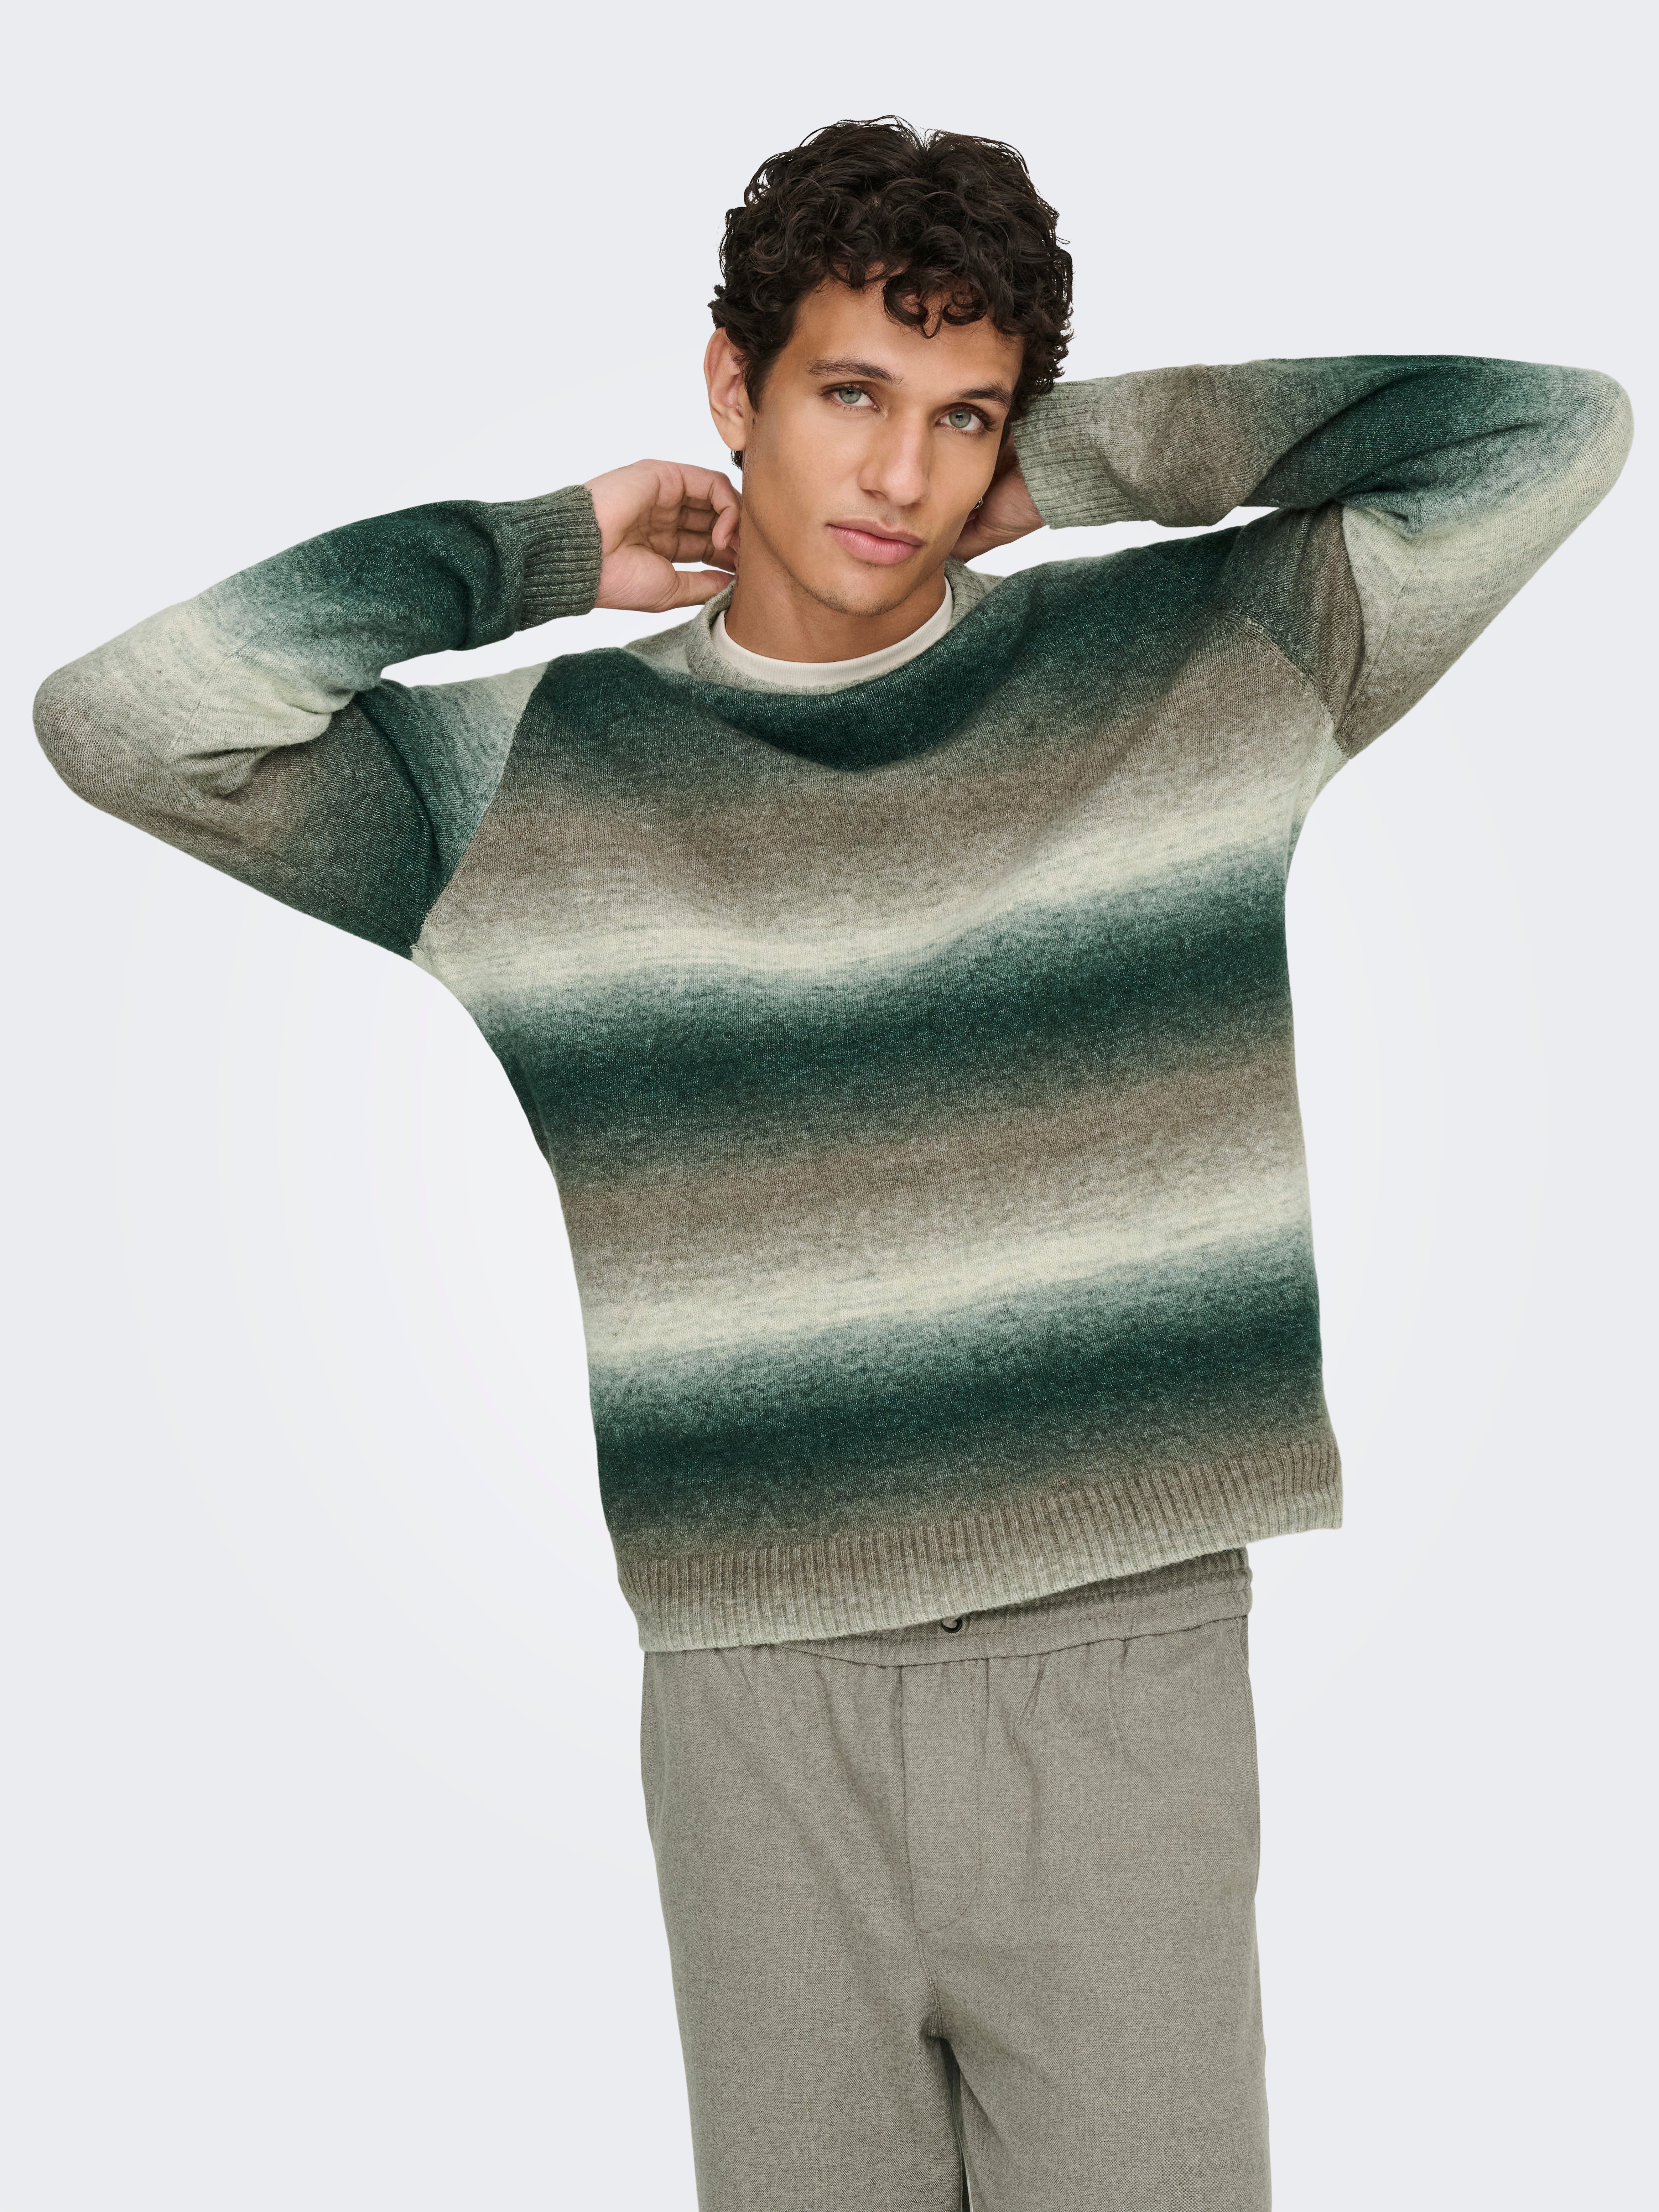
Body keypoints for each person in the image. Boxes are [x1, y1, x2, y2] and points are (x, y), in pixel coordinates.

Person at [35, 115, 1631, 2212]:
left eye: (961, 415)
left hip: (1123, 1662)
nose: (900, 474)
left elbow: (1549, 434)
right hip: (753, 1693)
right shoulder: (523, 782)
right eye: (851, 392)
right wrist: (531, 548)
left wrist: (1081, 459)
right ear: (735, 385)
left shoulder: (1201, 662)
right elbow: (127, 720)